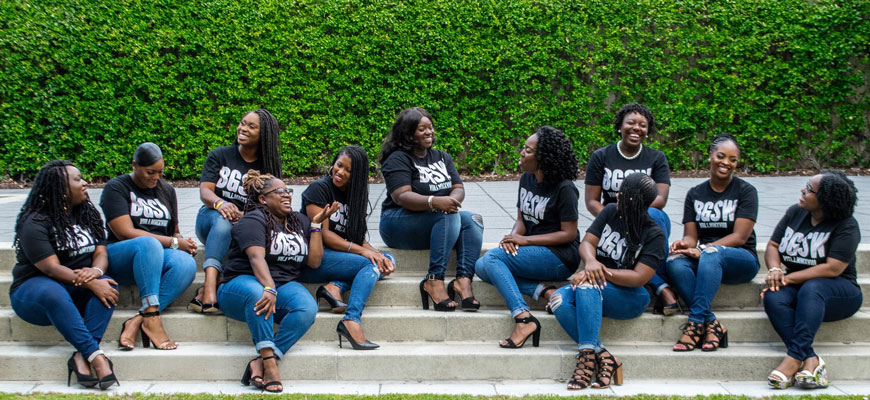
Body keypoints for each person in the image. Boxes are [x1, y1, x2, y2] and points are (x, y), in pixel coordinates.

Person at [217, 171, 337, 393]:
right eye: (279, 191)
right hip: (238, 286)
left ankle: (260, 362)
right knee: (257, 293)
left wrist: (316, 225)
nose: (287, 195)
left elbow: (314, 262)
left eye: (288, 190)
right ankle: (270, 364)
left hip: (280, 285)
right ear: (263, 199)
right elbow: (256, 258)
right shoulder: (254, 219)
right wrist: (269, 287)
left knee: (306, 307)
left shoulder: (298, 220)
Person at [10, 160, 118, 389]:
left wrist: (96, 272)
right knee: (54, 292)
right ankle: (97, 358)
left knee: (108, 285)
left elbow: (101, 251)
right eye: (78, 179)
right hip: (34, 292)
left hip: (75, 288)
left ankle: (82, 355)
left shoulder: (87, 213)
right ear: (60, 188)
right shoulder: (35, 222)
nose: (85, 183)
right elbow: (51, 268)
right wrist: (90, 284)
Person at [551, 173, 666, 390]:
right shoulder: (611, 211)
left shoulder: (654, 234)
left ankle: (585, 360)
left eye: (624, 194)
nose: (618, 195)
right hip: (595, 284)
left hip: (631, 295)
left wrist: (598, 272)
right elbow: (587, 242)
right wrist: (591, 262)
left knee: (588, 284)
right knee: (558, 299)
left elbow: (640, 277)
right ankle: (603, 355)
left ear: (635, 201)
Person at [475, 126, 580, 348]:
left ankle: (523, 317)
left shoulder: (565, 188)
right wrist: (513, 237)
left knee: (493, 260)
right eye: (524, 148)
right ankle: (545, 291)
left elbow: (569, 233)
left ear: (544, 159)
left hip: (560, 256)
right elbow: (522, 219)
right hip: (531, 249)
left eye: (528, 150)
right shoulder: (527, 179)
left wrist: (525, 241)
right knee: (481, 265)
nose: (522, 153)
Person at [378, 107, 483, 312]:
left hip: (433, 220)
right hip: (398, 223)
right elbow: (401, 196)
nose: (429, 132)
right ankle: (434, 280)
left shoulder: (441, 157)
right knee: (445, 217)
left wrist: (451, 202)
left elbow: (458, 187)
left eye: (430, 127)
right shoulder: (398, 159)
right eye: (421, 129)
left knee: (472, 219)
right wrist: (435, 201)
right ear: (408, 134)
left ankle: (463, 281)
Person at [763, 171, 861, 389]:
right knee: (773, 296)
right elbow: (773, 246)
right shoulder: (795, 212)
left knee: (812, 288)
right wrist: (775, 270)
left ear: (824, 200)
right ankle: (810, 359)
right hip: (799, 286)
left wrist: (788, 278)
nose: (802, 191)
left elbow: (833, 268)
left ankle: (792, 359)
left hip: (839, 292)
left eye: (809, 189)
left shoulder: (847, 225)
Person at [667, 133, 759, 351]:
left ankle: (696, 322)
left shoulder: (746, 191)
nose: (726, 163)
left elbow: (740, 237)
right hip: (707, 259)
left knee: (711, 253)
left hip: (740, 259)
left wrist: (705, 249)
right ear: (710, 156)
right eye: (721, 156)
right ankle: (713, 324)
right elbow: (691, 236)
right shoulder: (695, 193)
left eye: (733, 159)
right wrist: (684, 245)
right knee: (674, 263)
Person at [100, 143, 197, 351]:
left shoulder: (166, 190)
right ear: (135, 165)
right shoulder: (116, 188)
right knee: (148, 243)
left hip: (156, 257)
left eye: (160, 173)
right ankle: (152, 318)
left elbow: (174, 231)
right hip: (123, 256)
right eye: (150, 172)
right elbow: (124, 232)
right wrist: (172, 243)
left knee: (186, 263)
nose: (155, 177)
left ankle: (138, 319)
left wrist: (183, 244)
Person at [299, 145, 395, 350]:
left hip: (338, 256)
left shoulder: (355, 196)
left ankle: (334, 287)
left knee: (386, 258)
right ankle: (351, 320)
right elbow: (323, 235)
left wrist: (376, 253)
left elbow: (357, 238)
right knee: (369, 264)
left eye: (348, 170)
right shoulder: (319, 189)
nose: (340, 172)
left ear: (357, 175)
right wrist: (364, 252)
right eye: (338, 165)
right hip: (313, 257)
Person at [584, 103, 676, 314]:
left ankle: (655, 281)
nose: (637, 128)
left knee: (656, 215)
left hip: (646, 219)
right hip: (612, 220)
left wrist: (633, 215)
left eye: (643, 125)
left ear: (648, 131)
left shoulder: (656, 158)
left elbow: (660, 198)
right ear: (620, 126)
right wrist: (616, 217)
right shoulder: (601, 156)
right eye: (631, 123)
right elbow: (592, 201)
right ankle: (662, 288)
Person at [191, 108, 283, 313]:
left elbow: (272, 206)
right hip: (211, 218)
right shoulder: (220, 155)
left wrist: (246, 216)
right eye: (242, 123)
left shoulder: (268, 166)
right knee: (223, 222)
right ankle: (210, 288)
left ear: (263, 135)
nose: (243, 128)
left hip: (244, 226)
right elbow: (205, 191)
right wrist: (220, 204)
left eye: (251, 126)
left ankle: (212, 286)